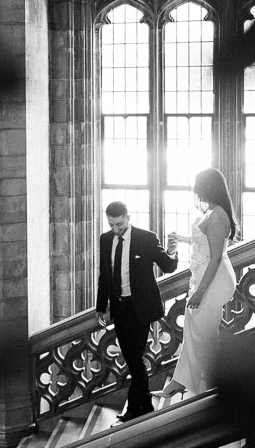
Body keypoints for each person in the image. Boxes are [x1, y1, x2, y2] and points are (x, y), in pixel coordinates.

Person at [155, 167, 239, 398]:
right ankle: (182, 381)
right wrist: (182, 239)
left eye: (198, 186)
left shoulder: (218, 214)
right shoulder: (213, 212)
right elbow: (205, 241)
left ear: (208, 187)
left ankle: (207, 388)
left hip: (213, 280)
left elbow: (214, 258)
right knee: (193, 328)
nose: (196, 190)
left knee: (204, 333)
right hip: (205, 277)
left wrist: (201, 292)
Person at [95, 201, 179, 423]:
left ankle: (136, 407)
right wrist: (100, 307)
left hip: (141, 308)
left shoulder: (146, 238)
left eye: (119, 224)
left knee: (135, 359)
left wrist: (172, 251)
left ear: (128, 218)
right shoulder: (105, 240)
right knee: (133, 358)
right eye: (112, 225)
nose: (116, 229)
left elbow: (168, 267)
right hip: (119, 307)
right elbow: (104, 275)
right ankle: (145, 406)